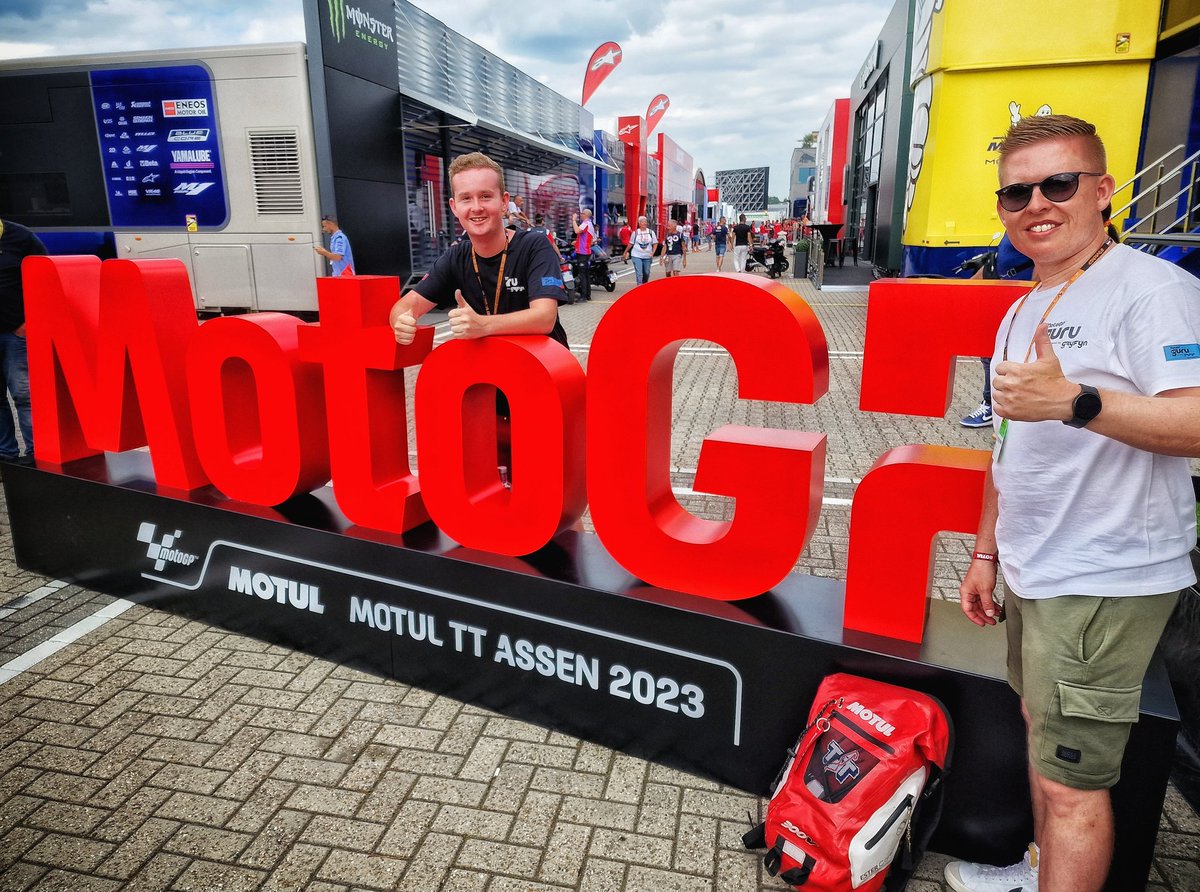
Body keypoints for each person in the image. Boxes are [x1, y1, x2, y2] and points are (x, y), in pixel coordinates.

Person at [946, 114, 1200, 892]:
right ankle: (1038, 870)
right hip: (1035, 567)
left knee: (1072, 786)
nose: (1037, 204)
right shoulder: (1023, 305)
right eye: (1016, 192)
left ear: (1103, 190)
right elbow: (1009, 448)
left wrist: (1078, 403)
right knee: (1041, 736)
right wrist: (988, 552)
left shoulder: (1152, 289)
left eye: (1059, 183)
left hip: (1101, 579)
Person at [390, 153, 569, 470]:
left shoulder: (533, 246)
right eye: (466, 198)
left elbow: (544, 317)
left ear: (504, 202)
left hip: (540, 389)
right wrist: (400, 320)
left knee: (554, 492)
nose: (476, 207)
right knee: (488, 488)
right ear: (453, 207)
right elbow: (408, 304)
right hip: (485, 395)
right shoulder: (455, 257)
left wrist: (482, 325)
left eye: (485, 196)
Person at [960, 234, 1034, 428]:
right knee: (989, 350)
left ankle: (993, 405)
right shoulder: (1014, 225)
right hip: (1002, 292)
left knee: (1005, 353)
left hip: (1019, 294)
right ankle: (993, 404)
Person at [0, 219, 46, 465]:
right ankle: (6, 456)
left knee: (24, 394)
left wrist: (29, 323)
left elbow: (45, 277)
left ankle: (37, 455)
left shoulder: (20, 237)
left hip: (15, 334)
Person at [623, 216, 657, 286]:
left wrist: (653, 252)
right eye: (642, 222)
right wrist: (625, 252)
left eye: (645, 222)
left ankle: (644, 285)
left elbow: (655, 243)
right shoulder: (635, 233)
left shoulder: (651, 232)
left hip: (647, 256)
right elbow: (630, 244)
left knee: (646, 272)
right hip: (636, 255)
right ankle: (639, 287)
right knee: (639, 273)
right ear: (639, 223)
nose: (644, 223)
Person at [571, 208, 596, 302]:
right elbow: (585, 237)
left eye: (581, 214)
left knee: (582, 274)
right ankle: (588, 295)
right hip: (585, 251)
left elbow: (577, 231)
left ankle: (584, 296)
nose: (580, 215)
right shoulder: (590, 224)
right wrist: (576, 242)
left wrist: (573, 220)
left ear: (585, 215)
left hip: (583, 252)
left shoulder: (586, 224)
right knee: (585, 274)